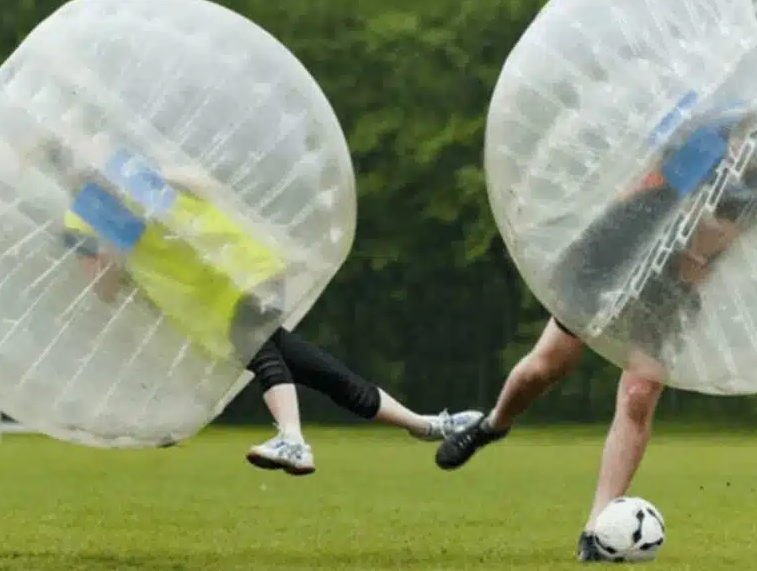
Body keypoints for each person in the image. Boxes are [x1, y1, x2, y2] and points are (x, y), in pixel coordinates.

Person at [435, 103, 757, 559]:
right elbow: (648, 193)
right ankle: (493, 424)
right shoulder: (700, 136)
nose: (750, 155)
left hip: (674, 279)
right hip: (614, 248)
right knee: (547, 366)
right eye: (746, 144)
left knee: (638, 394)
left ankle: (597, 529)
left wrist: (695, 263)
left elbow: (716, 241)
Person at [33, 135, 480, 476]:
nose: (88, 159)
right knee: (311, 368)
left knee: (258, 350)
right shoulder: (81, 219)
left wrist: (160, 179)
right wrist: (113, 247)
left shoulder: (134, 173)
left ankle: (292, 439)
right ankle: (426, 425)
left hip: (240, 269)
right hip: (206, 303)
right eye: (74, 158)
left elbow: (207, 188)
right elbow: (105, 290)